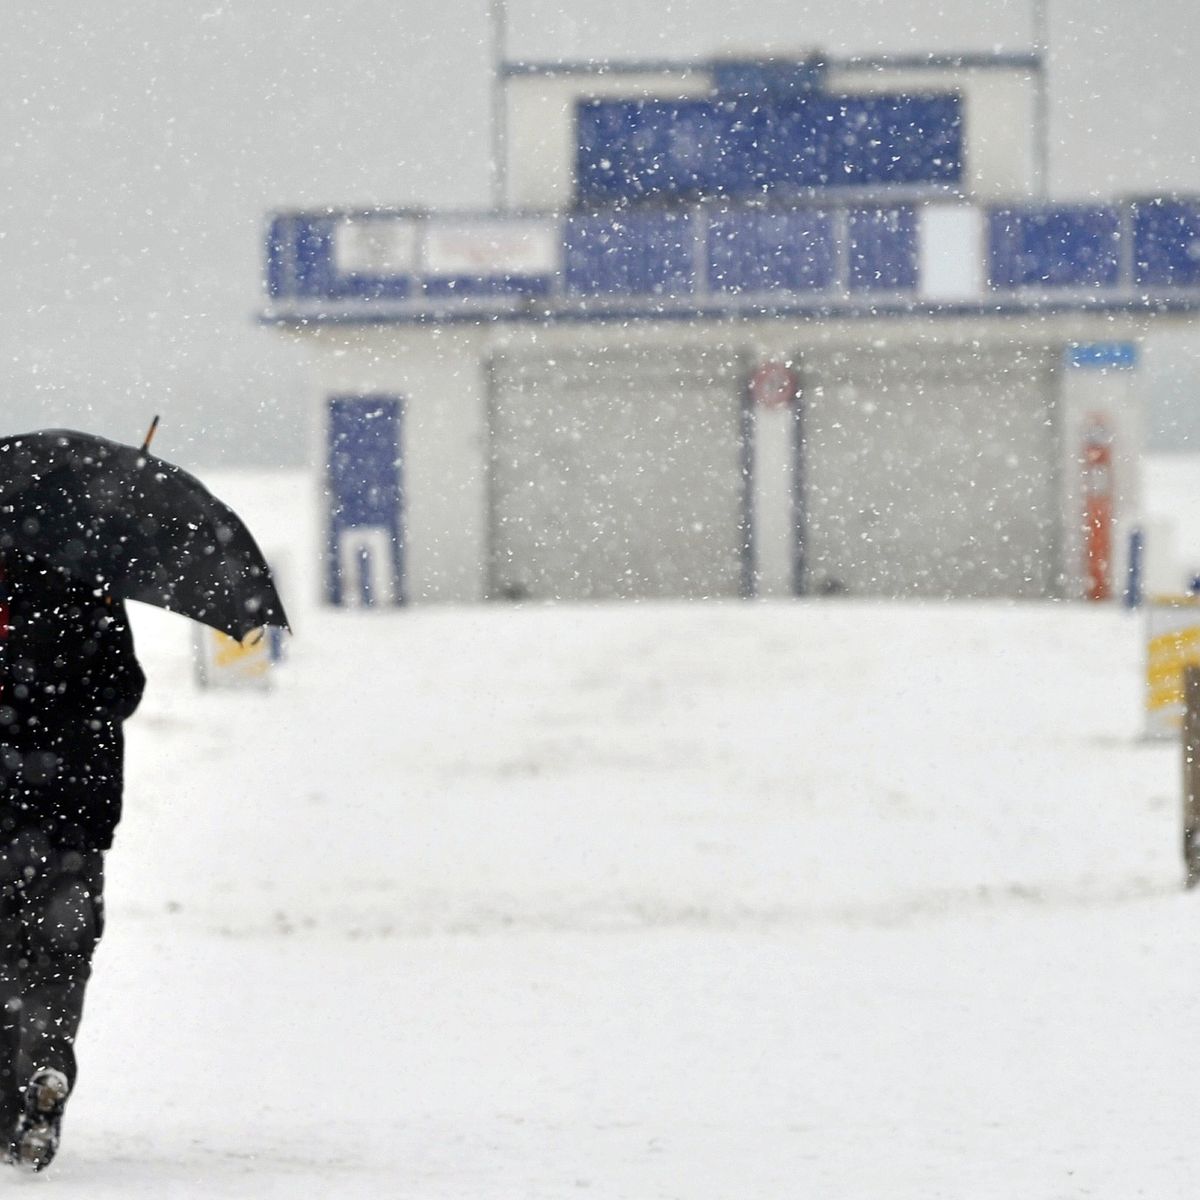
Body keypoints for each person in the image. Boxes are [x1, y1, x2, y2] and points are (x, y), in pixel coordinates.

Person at [0, 550, 144, 1170]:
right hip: (74, 818)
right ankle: (48, 1063)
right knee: (61, 957)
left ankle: (9, 1108)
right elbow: (125, 689)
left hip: (4, 809)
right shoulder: (94, 582)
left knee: (5, 960)